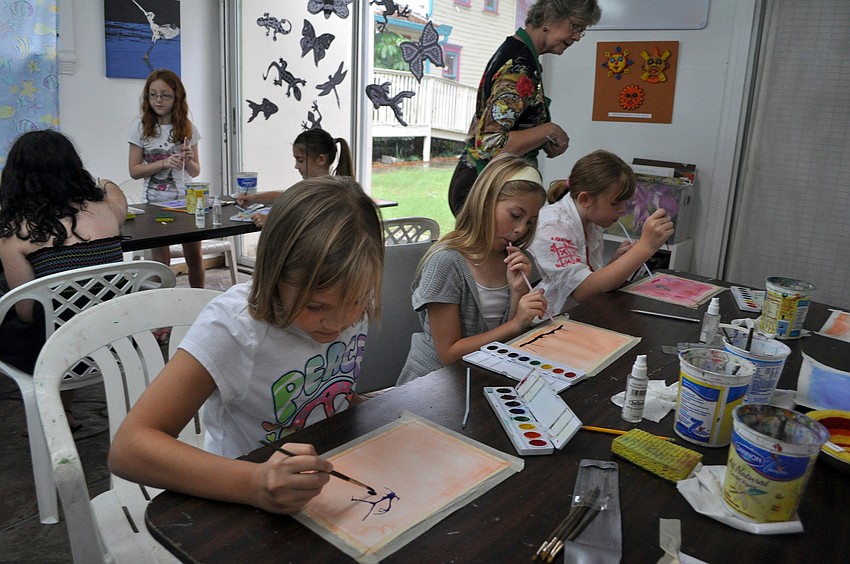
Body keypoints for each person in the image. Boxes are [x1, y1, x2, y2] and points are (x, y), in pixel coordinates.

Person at [109, 176, 384, 515]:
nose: (339, 322)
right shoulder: (235, 328)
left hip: (328, 479)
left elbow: (326, 393)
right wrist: (255, 483)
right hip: (241, 496)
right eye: (316, 306)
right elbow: (129, 448)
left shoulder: (348, 305)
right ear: (273, 276)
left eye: (358, 300)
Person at [0, 129, 127, 431]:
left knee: (39, 311)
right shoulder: (108, 212)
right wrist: (104, 181)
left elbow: (27, 311)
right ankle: (64, 408)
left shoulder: (14, 234)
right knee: (72, 308)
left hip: (54, 346)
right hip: (111, 338)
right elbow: (117, 198)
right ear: (73, 168)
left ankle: (54, 409)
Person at [396, 153, 548, 386]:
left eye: (530, 221)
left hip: (482, 381)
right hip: (432, 386)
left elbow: (512, 345)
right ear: (485, 202)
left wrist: (518, 293)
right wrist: (516, 323)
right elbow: (449, 354)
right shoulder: (446, 262)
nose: (520, 229)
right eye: (515, 215)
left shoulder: (520, 261)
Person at [447, 0, 602, 216]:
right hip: (486, 191)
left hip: (483, 183)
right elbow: (490, 144)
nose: (576, 36)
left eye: (581, 31)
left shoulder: (516, 52)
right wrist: (549, 130)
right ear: (549, 16)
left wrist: (539, 137)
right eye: (575, 26)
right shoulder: (520, 66)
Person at [528, 150, 674, 316]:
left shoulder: (591, 221)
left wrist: (616, 263)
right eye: (615, 203)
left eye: (625, 202)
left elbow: (591, 278)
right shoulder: (552, 225)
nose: (622, 210)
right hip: (547, 320)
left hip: (576, 313)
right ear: (585, 199)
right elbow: (582, 291)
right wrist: (645, 246)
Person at [128, 68, 204, 287]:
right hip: (154, 204)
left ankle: (197, 307)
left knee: (195, 259)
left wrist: (188, 159)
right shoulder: (140, 128)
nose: (158, 100)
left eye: (165, 95)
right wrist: (162, 163)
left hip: (186, 203)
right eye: (153, 95)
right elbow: (134, 170)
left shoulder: (187, 127)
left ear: (176, 97)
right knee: (161, 262)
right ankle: (164, 311)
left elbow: (195, 171)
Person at [236, 129, 354, 227]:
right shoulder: (313, 188)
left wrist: (270, 221)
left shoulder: (327, 195)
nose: (296, 166)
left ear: (321, 159)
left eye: (300, 160)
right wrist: (254, 198)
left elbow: (307, 224)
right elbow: (286, 196)